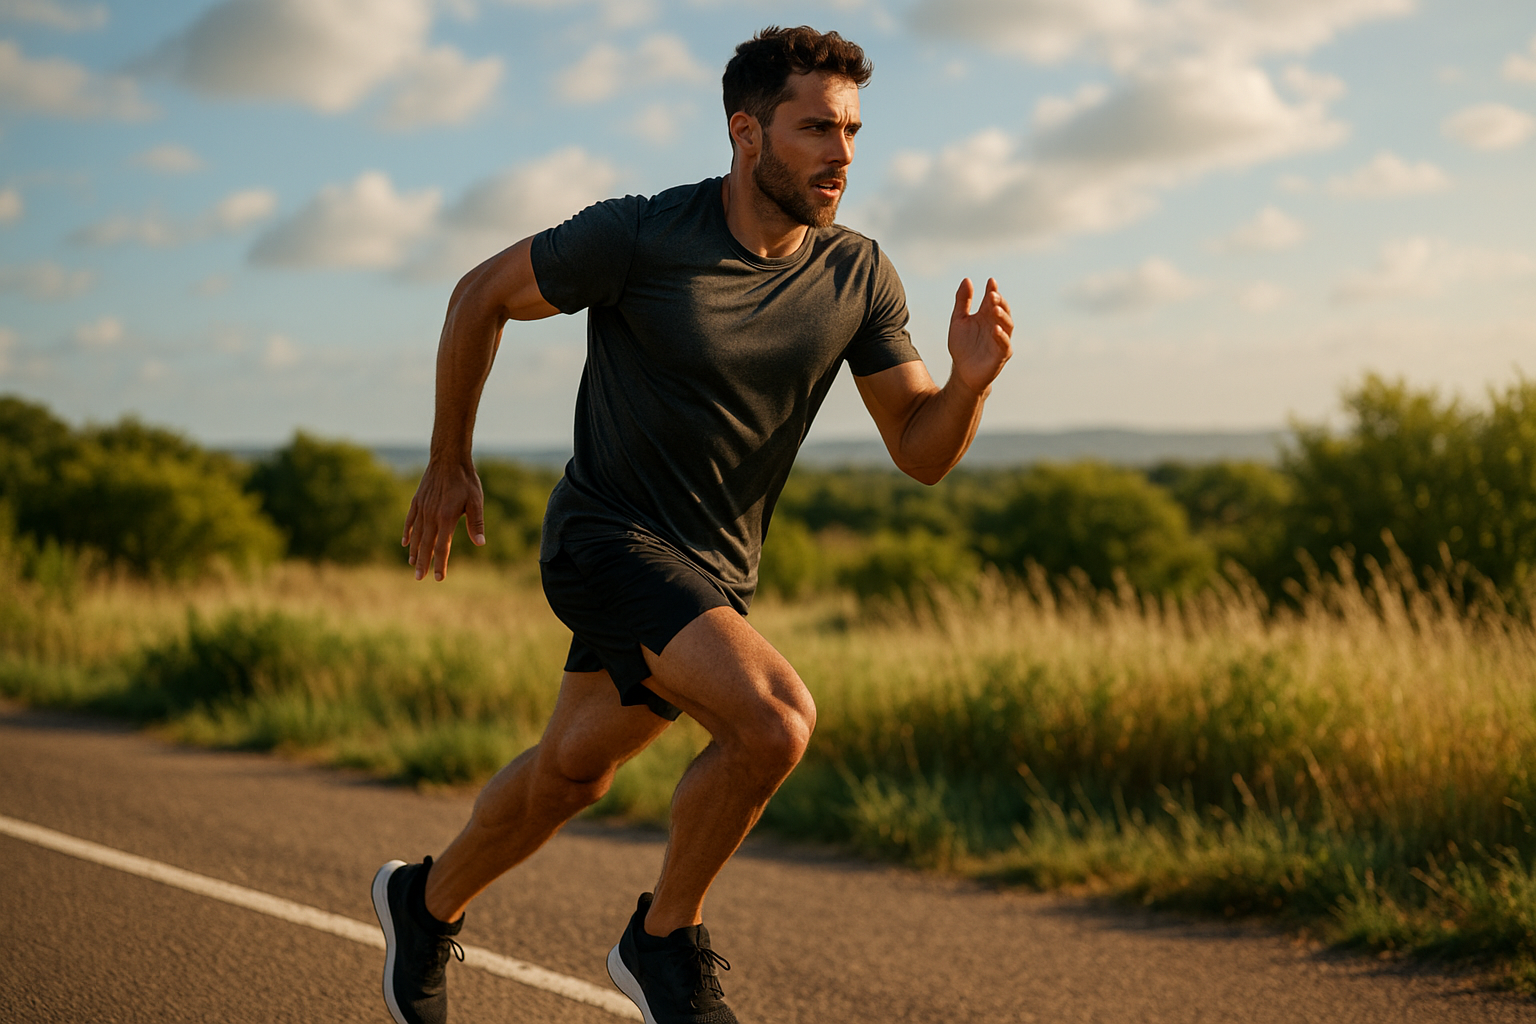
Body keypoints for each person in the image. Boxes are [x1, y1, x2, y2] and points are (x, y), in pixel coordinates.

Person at [372, 24, 1013, 1024]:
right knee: (775, 719)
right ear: (745, 132)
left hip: (710, 572)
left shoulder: (858, 276)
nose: (841, 154)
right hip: (603, 540)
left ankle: (424, 900)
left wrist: (969, 384)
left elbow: (920, 451)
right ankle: (662, 938)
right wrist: (450, 460)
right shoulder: (640, 235)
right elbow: (479, 294)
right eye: (815, 128)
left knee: (572, 773)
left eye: (851, 130)